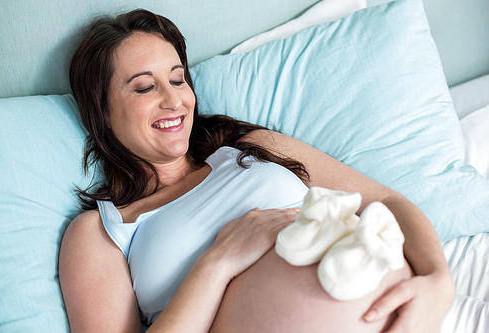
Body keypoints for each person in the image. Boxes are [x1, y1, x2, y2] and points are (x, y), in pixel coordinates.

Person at [58, 9, 454, 332]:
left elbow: (385, 200)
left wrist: (439, 281)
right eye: (145, 88)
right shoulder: (101, 232)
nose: (174, 100)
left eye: (178, 79)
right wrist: (218, 261)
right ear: (102, 114)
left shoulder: (250, 149)